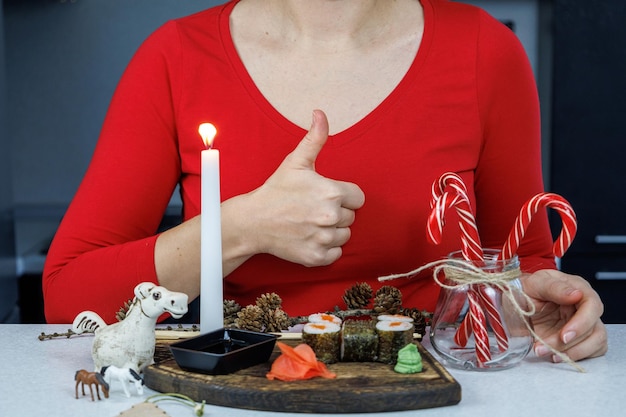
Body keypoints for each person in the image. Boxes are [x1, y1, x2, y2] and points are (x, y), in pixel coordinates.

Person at [42, 0, 607, 362]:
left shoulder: (486, 50)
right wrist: (241, 228)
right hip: (242, 391)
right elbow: (69, 296)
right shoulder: (174, 58)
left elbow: (521, 265)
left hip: (434, 391)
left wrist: (539, 309)